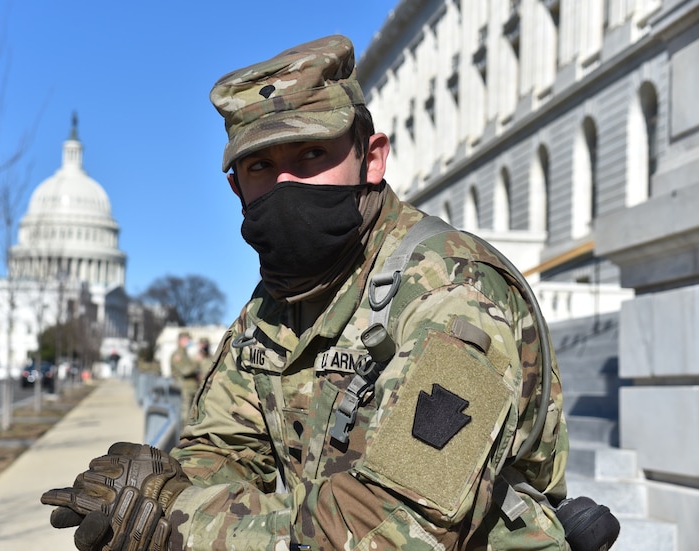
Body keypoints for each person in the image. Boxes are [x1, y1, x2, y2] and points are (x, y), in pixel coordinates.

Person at [41, 35, 606, 550]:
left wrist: (175, 514)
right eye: (261, 166)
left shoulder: (453, 292)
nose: (286, 185)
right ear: (237, 187)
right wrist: (155, 503)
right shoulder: (274, 305)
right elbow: (222, 453)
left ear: (372, 158)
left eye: (312, 155)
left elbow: (391, 535)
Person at [170, 331, 199, 421]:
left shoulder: (185, 354)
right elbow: (185, 371)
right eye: (187, 340)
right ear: (181, 340)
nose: (189, 342)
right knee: (185, 417)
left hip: (190, 389)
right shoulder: (178, 354)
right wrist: (196, 361)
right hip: (184, 390)